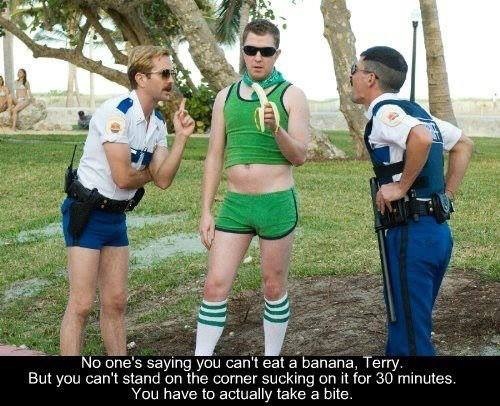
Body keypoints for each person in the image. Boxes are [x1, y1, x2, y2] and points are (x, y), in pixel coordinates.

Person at [60, 45, 195, 355]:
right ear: (141, 78)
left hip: (115, 217)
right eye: (164, 73)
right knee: (81, 304)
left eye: (171, 73)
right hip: (87, 213)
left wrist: (181, 139)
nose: (170, 80)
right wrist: (151, 172)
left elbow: (163, 179)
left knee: (116, 302)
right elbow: (123, 178)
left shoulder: (157, 122)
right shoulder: (117, 113)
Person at [195, 19, 310, 356]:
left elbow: (300, 156)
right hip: (236, 205)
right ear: (242, 52)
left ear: (277, 54)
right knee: (215, 285)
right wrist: (206, 210)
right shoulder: (225, 97)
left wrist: (277, 129)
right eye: (251, 50)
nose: (258, 57)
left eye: (266, 51)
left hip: (276, 204)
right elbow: (214, 156)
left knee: (273, 287)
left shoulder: (292, 95)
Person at [350, 46, 473, 355]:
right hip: (436, 232)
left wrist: (401, 187)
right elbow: (463, 144)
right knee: (408, 325)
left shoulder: (385, 113)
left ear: (370, 78)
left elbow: (420, 138)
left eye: (355, 70)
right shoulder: (419, 113)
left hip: (411, 234)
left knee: (411, 341)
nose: (351, 77)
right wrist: (447, 196)